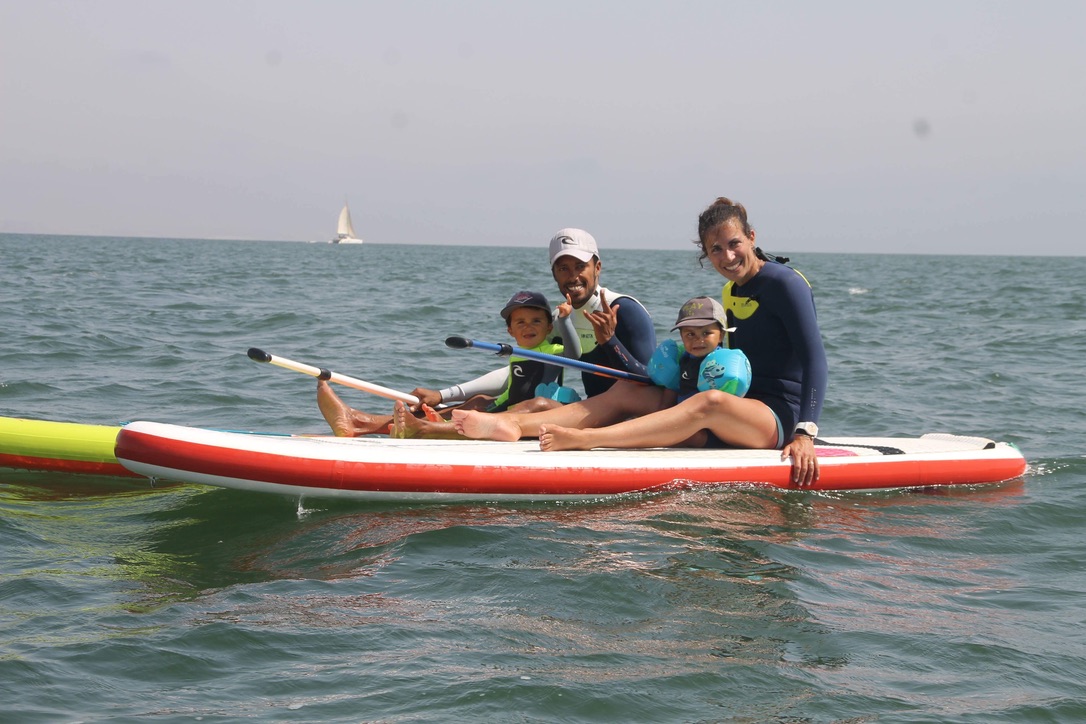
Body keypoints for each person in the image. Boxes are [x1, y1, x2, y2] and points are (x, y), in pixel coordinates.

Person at [453, 197, 828, 486]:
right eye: (715, 249)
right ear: (705, 252)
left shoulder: (785, 284)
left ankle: (588, 440)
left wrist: (804, 433)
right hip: (740, 409)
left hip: (778, 417)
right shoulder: (731, 291)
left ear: (751, 237)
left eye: (734, 244)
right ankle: (517, 427)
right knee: (625, 392)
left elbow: (815, 360)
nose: (727, 257)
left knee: (709, 401)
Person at [317, 291, 578, 436]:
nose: (528, 327)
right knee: (476, 402)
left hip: (526, 413)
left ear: (548, 327)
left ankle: (420, 429)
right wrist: (445, 396)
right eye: (520, 322)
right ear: (510, 331)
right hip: (503, 406)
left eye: (536, 321)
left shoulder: (552, 349)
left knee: (476, 409)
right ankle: (360, 422)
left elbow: (574, 354)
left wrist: (566, 321)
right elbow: (509, 383)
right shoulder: (517, 352)